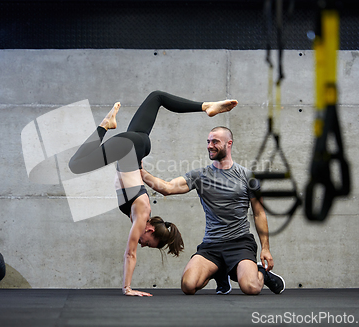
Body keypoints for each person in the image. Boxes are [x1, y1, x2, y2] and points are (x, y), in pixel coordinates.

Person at [68, 91, 238, 296]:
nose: (143, 244)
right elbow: (130, 254)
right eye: (148, 243)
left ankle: (206, 107)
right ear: (149, 230)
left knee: (157, 97)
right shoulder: (142, 213)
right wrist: (127, 288)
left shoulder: (139, 211)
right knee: (76, 165)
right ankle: (105, 124)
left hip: (139, 143)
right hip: (128, 146)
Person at [141, 125, 286, 295]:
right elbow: (168, 188)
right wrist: (140, 172)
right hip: (212, 245)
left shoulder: (247, 177)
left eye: (215, 141)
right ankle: (219, 272)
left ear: (228, 143)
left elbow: (259, 213)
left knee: (251, 288)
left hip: (239, 243)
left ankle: (261, 272)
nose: (210, 145)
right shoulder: (200, 176)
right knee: (188, 285)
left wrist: (265, 248)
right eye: (208, 141)